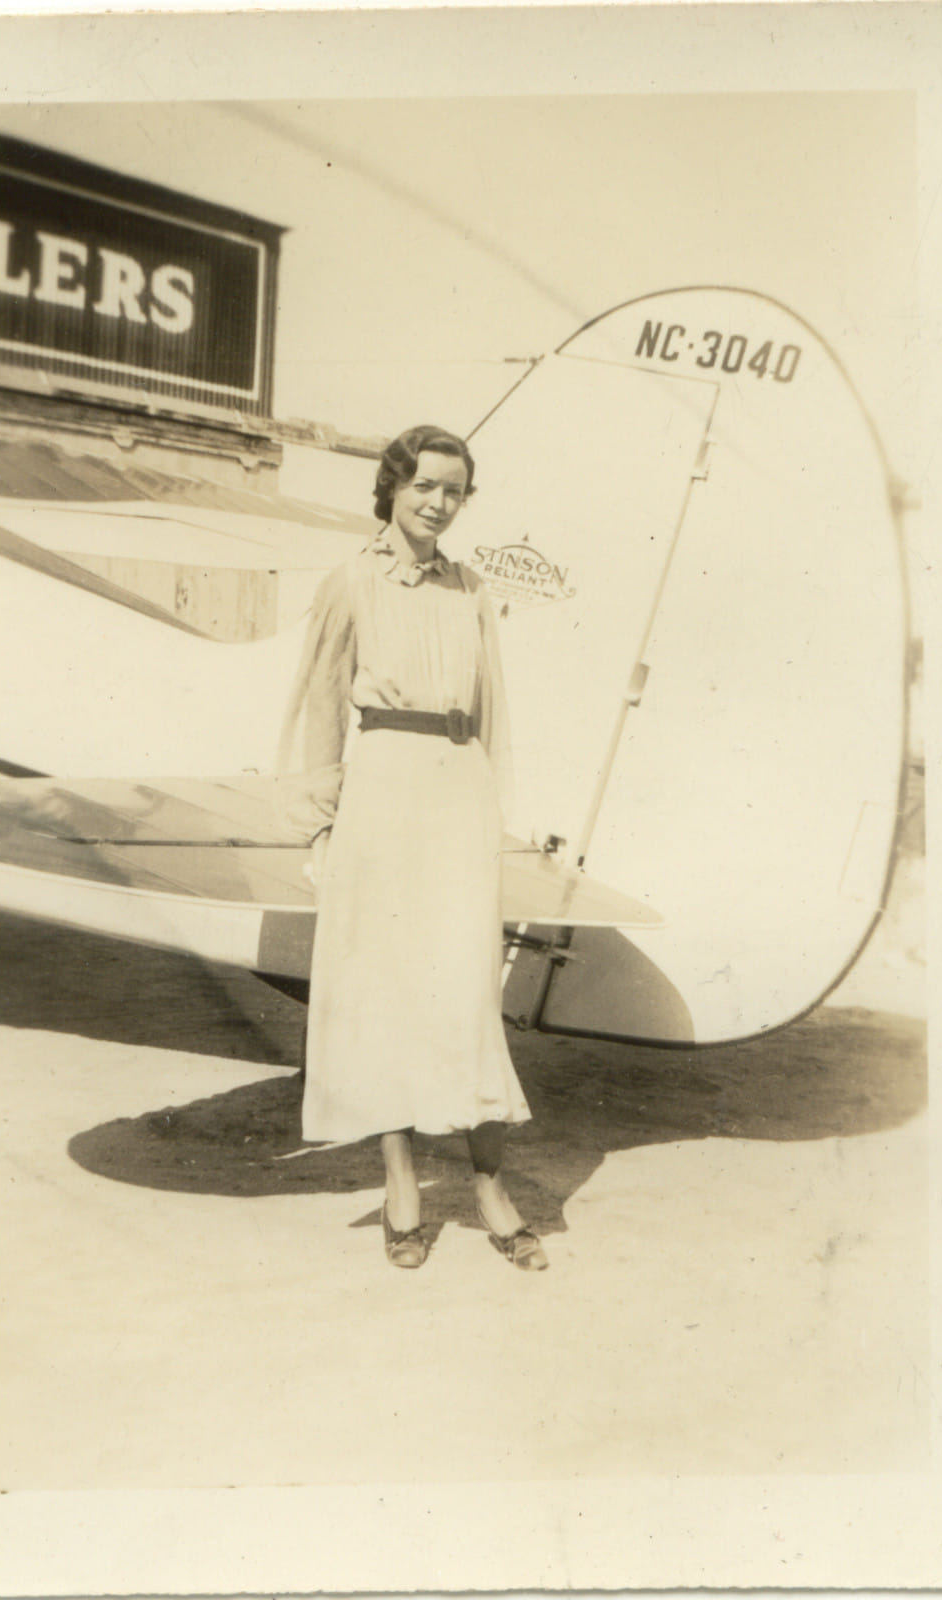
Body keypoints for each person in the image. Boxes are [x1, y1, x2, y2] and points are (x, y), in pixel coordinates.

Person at [276, 423, 547, 1271]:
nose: (438, 503)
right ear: (392, 487)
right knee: (387, 987)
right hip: (382, 793)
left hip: (457, 794)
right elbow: (321, 702)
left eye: (453, 491)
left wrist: (496, 817)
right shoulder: (351, 581)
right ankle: (400, 1184)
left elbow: (494, 710)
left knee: (464, 989)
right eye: (424, 485)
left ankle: (489, 1187)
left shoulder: (470, 589)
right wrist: (319, 819)